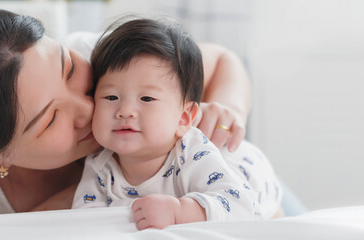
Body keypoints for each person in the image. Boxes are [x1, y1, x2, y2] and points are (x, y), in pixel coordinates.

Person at [0, 8, 259, 218]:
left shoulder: (105, 61)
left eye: (69, 70)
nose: (90, 106)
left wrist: (229, 113)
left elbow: (223, 62)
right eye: (51, 119)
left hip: (231, 182)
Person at [71, 18, 281, 230]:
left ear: (184, 118)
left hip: (248, 175)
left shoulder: (191, 153)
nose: (125, 111)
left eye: (146, 99)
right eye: (111, 97)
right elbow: (86, 218)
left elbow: (240, 206)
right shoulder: (100, 163)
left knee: (273, 225)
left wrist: (181, 211)